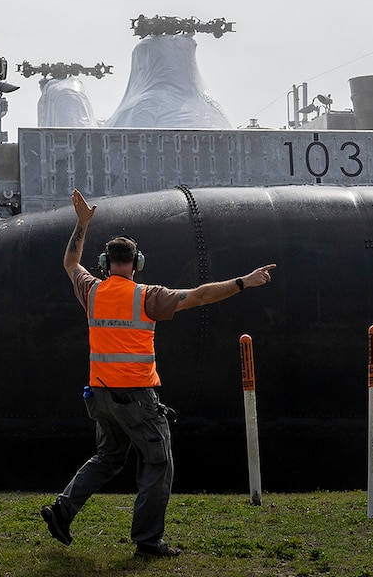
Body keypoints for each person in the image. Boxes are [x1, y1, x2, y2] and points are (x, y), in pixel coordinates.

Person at [41, 189, 275, 558]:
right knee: (157, 463)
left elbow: (71, 262)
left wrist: (82, 224)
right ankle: (148, 542)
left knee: (108, 457)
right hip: (136, 399)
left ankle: (61, 511)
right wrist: (244, 281)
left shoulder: (92, 291)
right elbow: (198, 295)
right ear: (138, 263)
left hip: (100, 397)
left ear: (105, 262)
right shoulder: (147, 296)